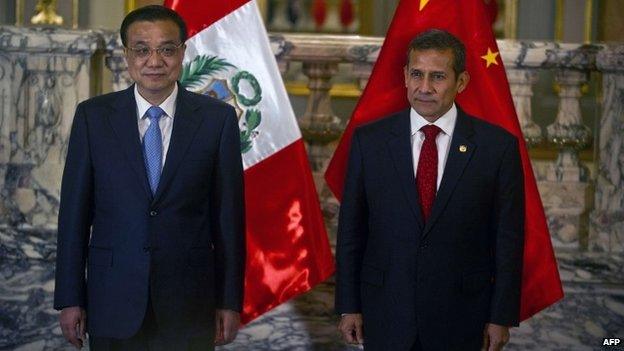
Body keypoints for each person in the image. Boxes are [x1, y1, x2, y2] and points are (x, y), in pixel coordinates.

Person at [53, 5, 245, 350]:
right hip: (112, 299)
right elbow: (73, 218)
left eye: (166, 49)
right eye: (142, 49)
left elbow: (229, 220)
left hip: (189, 303)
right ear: (127, 54)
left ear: (182, 52)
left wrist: (229, 301)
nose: (154, 61)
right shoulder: (93, 119)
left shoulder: (217, 121)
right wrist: (70, 297)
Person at [335, 29, 524, 351]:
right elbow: (352, 231)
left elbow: (508, 240)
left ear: (461, 82)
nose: (424, 88)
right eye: (417, 75)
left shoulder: (497, 147)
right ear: (405, 76)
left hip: (463, 316)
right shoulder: (370, 141)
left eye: (437, 77)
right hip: (385, 312)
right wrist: (348, 305)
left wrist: (500, 316)